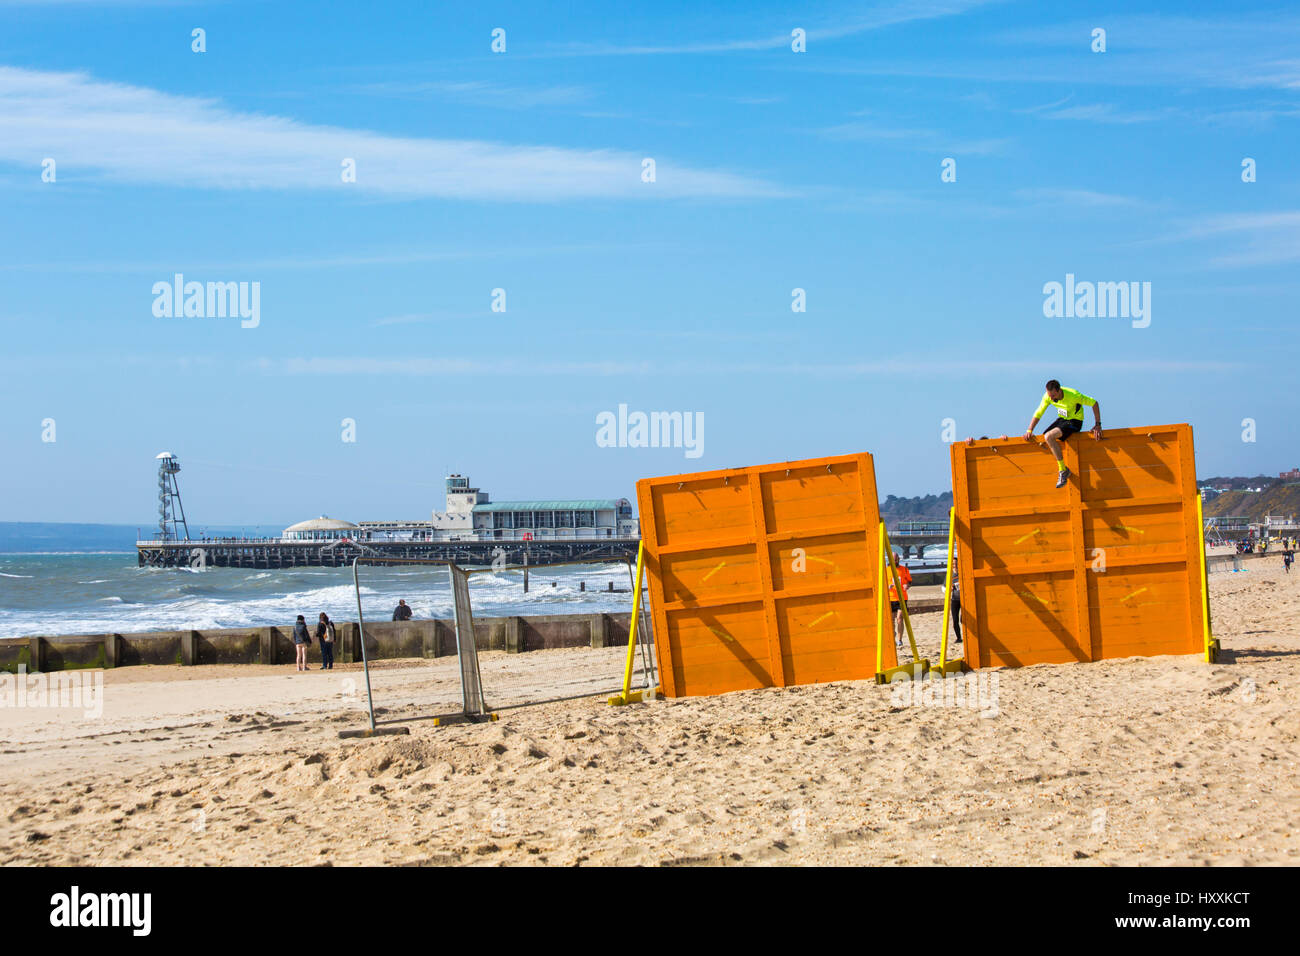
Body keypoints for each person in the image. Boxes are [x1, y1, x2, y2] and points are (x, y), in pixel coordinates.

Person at [1023, 379, 1102, 488]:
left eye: (1053, 395)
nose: (1051, 398)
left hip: (1075, 421)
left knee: (1049, 436)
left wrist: (1098, 424)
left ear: (1059, 390)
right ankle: (1063, 467)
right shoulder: (1048, 396)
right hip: (1062, 420)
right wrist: (1029, 430)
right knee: (1043, 441)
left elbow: (1094, 403)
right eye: (1049, 395)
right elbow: (1039, 412)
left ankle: (1062, 470)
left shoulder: (1074, 395)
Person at [887, 551, 913, 650]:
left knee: (899, 618)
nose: (896, 561)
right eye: (894, 559)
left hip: (902, 598)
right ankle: (893, 638)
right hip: (890, 598)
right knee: (892, 620)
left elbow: (910, 581)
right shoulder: (886, 570)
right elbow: (883, 583)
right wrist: (888, 586)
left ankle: (900, 639)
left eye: (897, 559)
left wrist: (907, 585)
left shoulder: (904, 569)